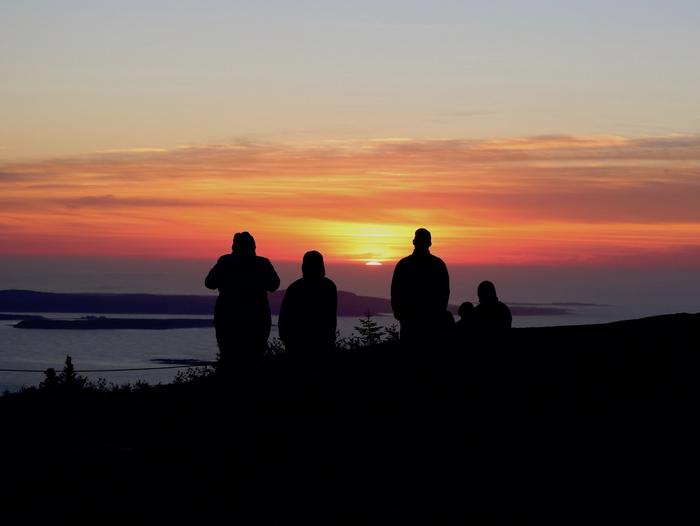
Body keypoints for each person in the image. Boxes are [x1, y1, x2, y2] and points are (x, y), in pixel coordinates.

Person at [205, 232, 280, 369]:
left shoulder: (225, 262)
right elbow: (274, 285)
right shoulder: (262, 263)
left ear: (234, 246)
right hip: (256, 318)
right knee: (254, 358)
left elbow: (209, 283)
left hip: (228, 318)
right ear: (253, 246)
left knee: (229, 357)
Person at [390, 228, 450, 342]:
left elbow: (395, 292)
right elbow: (444, 293)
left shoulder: (403, 265)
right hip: (426, 322)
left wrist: (400, 314)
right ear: (430, 243)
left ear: (413, 242)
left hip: (413, 323)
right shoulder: (438, 264)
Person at [278, 251, 337, 357]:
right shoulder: (329, 286)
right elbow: (331, 318)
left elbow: (284, 316)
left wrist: (286, 338)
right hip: (322, 343)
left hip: (298, 344)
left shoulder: (295, 288)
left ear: (304, 266)